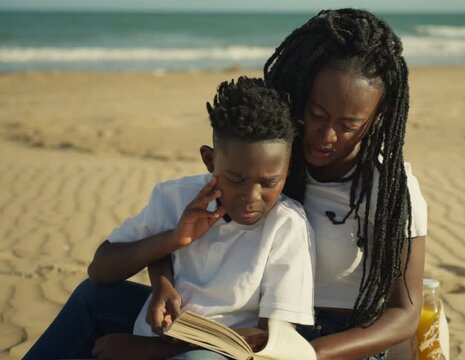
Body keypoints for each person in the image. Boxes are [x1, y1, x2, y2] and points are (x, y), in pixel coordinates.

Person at [26, 8, 428, 360]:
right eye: (317, 114)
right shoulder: (268, 163)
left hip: (328, 341)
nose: (325, 136)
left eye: (348, 126)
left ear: (378, 115)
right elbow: (178, 227)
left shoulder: (391, 192)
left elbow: (404, 315)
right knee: (92, 299)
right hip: (228, 323)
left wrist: (304, 354)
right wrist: (162, 279)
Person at [24, 77, 315, 360]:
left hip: (222, 353)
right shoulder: (176, 196)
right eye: (236, 179)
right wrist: (174, 240)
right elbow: (100, 269)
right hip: (159, 332)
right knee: (90, 297)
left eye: (269, 182)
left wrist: (148, 350)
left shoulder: (287, 226)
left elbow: (268, 339)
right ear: (210, 160)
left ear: (287, 169)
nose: (252, 196)